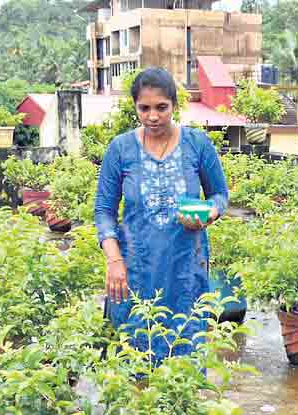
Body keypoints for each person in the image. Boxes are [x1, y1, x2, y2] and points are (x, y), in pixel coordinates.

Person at [94, 67, 229, 366]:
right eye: (144, 108)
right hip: (135, 269)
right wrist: (114, 261)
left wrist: (210, 212)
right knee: (134, 356)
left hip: (185, 268)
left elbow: (220, 194)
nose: (152, 116)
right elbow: (104, 210)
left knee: (184, 353)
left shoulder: (197, 144)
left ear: (174, 106)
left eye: (161, 107)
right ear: (135, 107)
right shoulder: (120, 149)